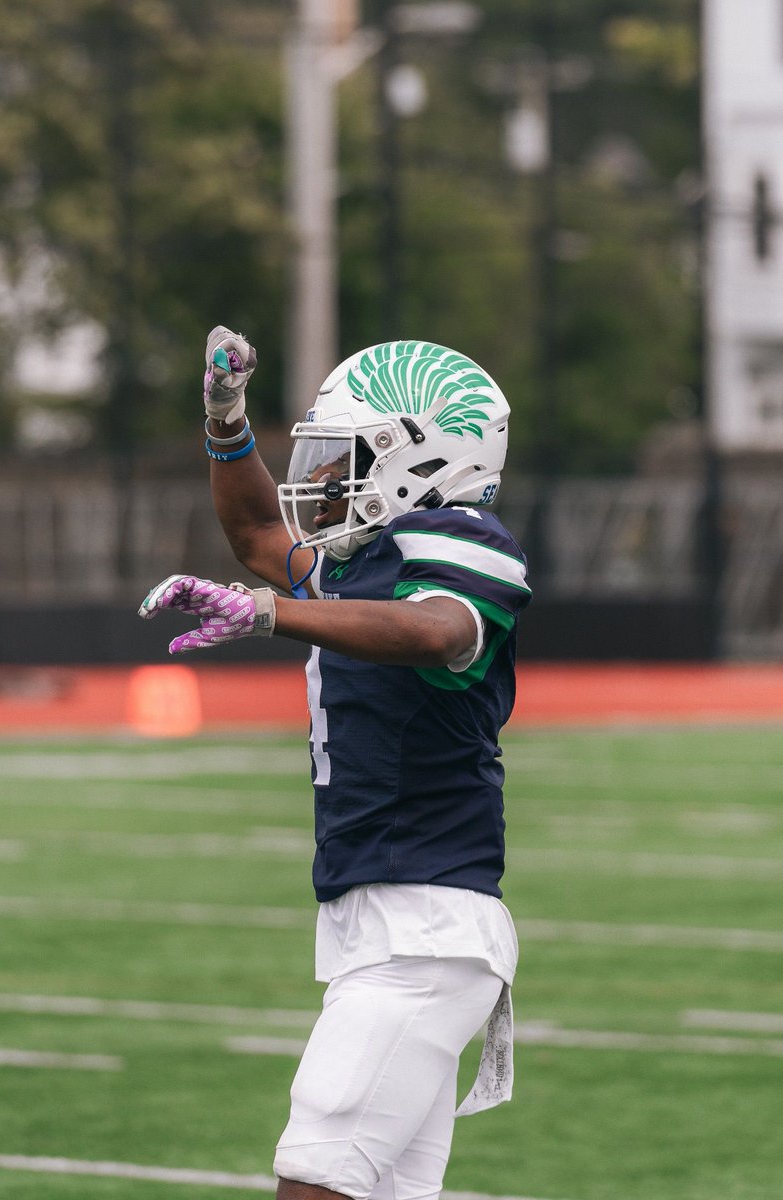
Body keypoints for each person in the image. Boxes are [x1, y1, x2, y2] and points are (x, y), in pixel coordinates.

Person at [139, 329, 531, 1200]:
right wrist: (225, 419)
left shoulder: (466, 540)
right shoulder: (365, 566)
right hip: (382, 925)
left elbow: (435, 628)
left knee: (313, 1181)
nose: (319, 479)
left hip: (424, 930)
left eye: (344, 455)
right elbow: (252, 532)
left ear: (421, 459)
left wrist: (271, 614)